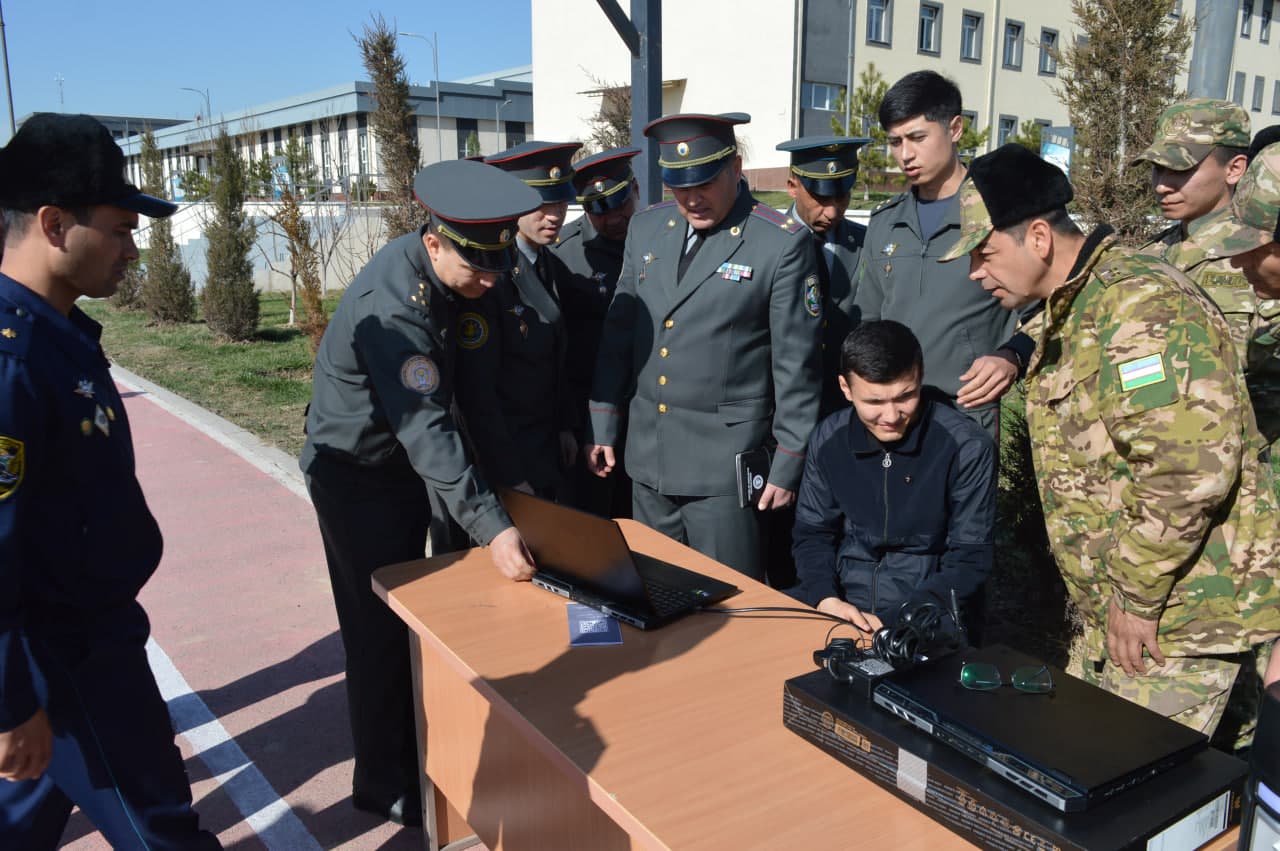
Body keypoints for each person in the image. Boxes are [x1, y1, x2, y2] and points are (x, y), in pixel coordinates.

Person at [940, 143, 1280, 747]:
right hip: (1134, 611)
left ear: (1038, 238)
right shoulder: (1079, 304)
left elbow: (1188, 467)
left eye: (984, 253)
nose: (974, 273)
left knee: (1129, 775)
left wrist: (1136, 598)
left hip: (1175, 618)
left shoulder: (1139, 306)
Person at [0, 114, 220, 848]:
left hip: (75, 636)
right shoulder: (13, 360)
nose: (133, 248)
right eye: (121, 229)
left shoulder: (54, 333)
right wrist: (10, 700)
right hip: (70, 657)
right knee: (162, 830)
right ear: (54, 224)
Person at [300, 159, 541, 826]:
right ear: (434, 243)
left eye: (499, 265)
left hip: (404, 466)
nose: (491, 280)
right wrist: (494, 527)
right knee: (377, 630)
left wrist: (513, 486)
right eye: (478, 268)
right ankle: (384, 781)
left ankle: (427, 751)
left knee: (421, 622)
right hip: (356, 475)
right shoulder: (395, 307)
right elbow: (427, 429)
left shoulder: (460, 276)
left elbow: (473, 397)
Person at [586, 112, 823, 581]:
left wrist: (789, 460)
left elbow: (796, 365)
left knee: (728, 602)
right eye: (678, 186)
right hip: (649, 456)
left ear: (735, 168)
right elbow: (620, 332)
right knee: (655, 591)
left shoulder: (779, 243)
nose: (692, 198)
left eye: (705, 182)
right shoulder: (647, 228)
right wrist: (604, 421)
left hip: (723, 469)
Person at [852, 71, 1033, 440]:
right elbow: (868, 320)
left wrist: (1013, 355)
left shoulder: (998, 213)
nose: (905, 154)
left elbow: (1043, 305)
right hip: (894, 413)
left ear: (955, 129)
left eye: (917, 137)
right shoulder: (886, 222)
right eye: (895, 142)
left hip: (966, 410)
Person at [788, 320, 996, 633]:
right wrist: (825, 597)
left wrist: (893, 622)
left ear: (920, 376)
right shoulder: (829, 437)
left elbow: (970, 558)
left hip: (927, 610)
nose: (891, 416)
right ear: (846, 388)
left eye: (904, 397)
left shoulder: (966, 446)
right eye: (874, 402)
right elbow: (813, 533)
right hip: (841, 599)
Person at [1129, 99, 1280, 443]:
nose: (1162, 185)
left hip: (1228, 453)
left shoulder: (1264, 258)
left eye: (1180, 170)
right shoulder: (1146, 258)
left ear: (1235, 169)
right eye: (1157, 169)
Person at [458, 141, 581, 501]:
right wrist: (508, 473)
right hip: (506, 453)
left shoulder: (549, 263)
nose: (555, 216)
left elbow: (555, 356)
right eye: (542, 205)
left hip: (543, 444)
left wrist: (564, 425)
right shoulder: (489, 275)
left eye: (560, 203)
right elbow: (478, 391)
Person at [551, 146, 641, 519]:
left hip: (648, 414)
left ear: (636, 189)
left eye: (621, 204)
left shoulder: (660, 239)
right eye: (599, 210)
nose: (614, 218)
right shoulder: (563, 254)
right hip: (590, 417)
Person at [775, 135, 872, 419]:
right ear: (792, 187)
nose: (832, 211)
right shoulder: (765, 242)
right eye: (820, 197)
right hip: (781, 404)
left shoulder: (867, 242)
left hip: (846, 404)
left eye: (841, 196)